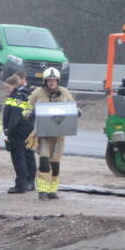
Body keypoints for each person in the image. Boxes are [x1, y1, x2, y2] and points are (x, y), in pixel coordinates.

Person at [28, 67, 75, 199]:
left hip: (59, 135)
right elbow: (26, 107)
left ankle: (52, 190)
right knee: (44, 161)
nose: (52, 82)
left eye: (54, 80)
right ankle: (42, 190)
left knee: (55, 163)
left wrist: (78, 112)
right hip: (43, 134)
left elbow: (73, 106)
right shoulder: (38, 92)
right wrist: (29, 113)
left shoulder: (64, 92)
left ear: (58, 80)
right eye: (49, 80)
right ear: (45, 81)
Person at [2, 72, 36, 193]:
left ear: (14, 85)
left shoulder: (16, 97)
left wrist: (8, 133)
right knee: (28, 155)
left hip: (18, 132)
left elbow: (14, 117)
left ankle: (20, 185)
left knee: (18, 157)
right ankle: (30, 181)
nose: (6, 90)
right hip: (27, 129)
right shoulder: (25, 95)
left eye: (8, 87)